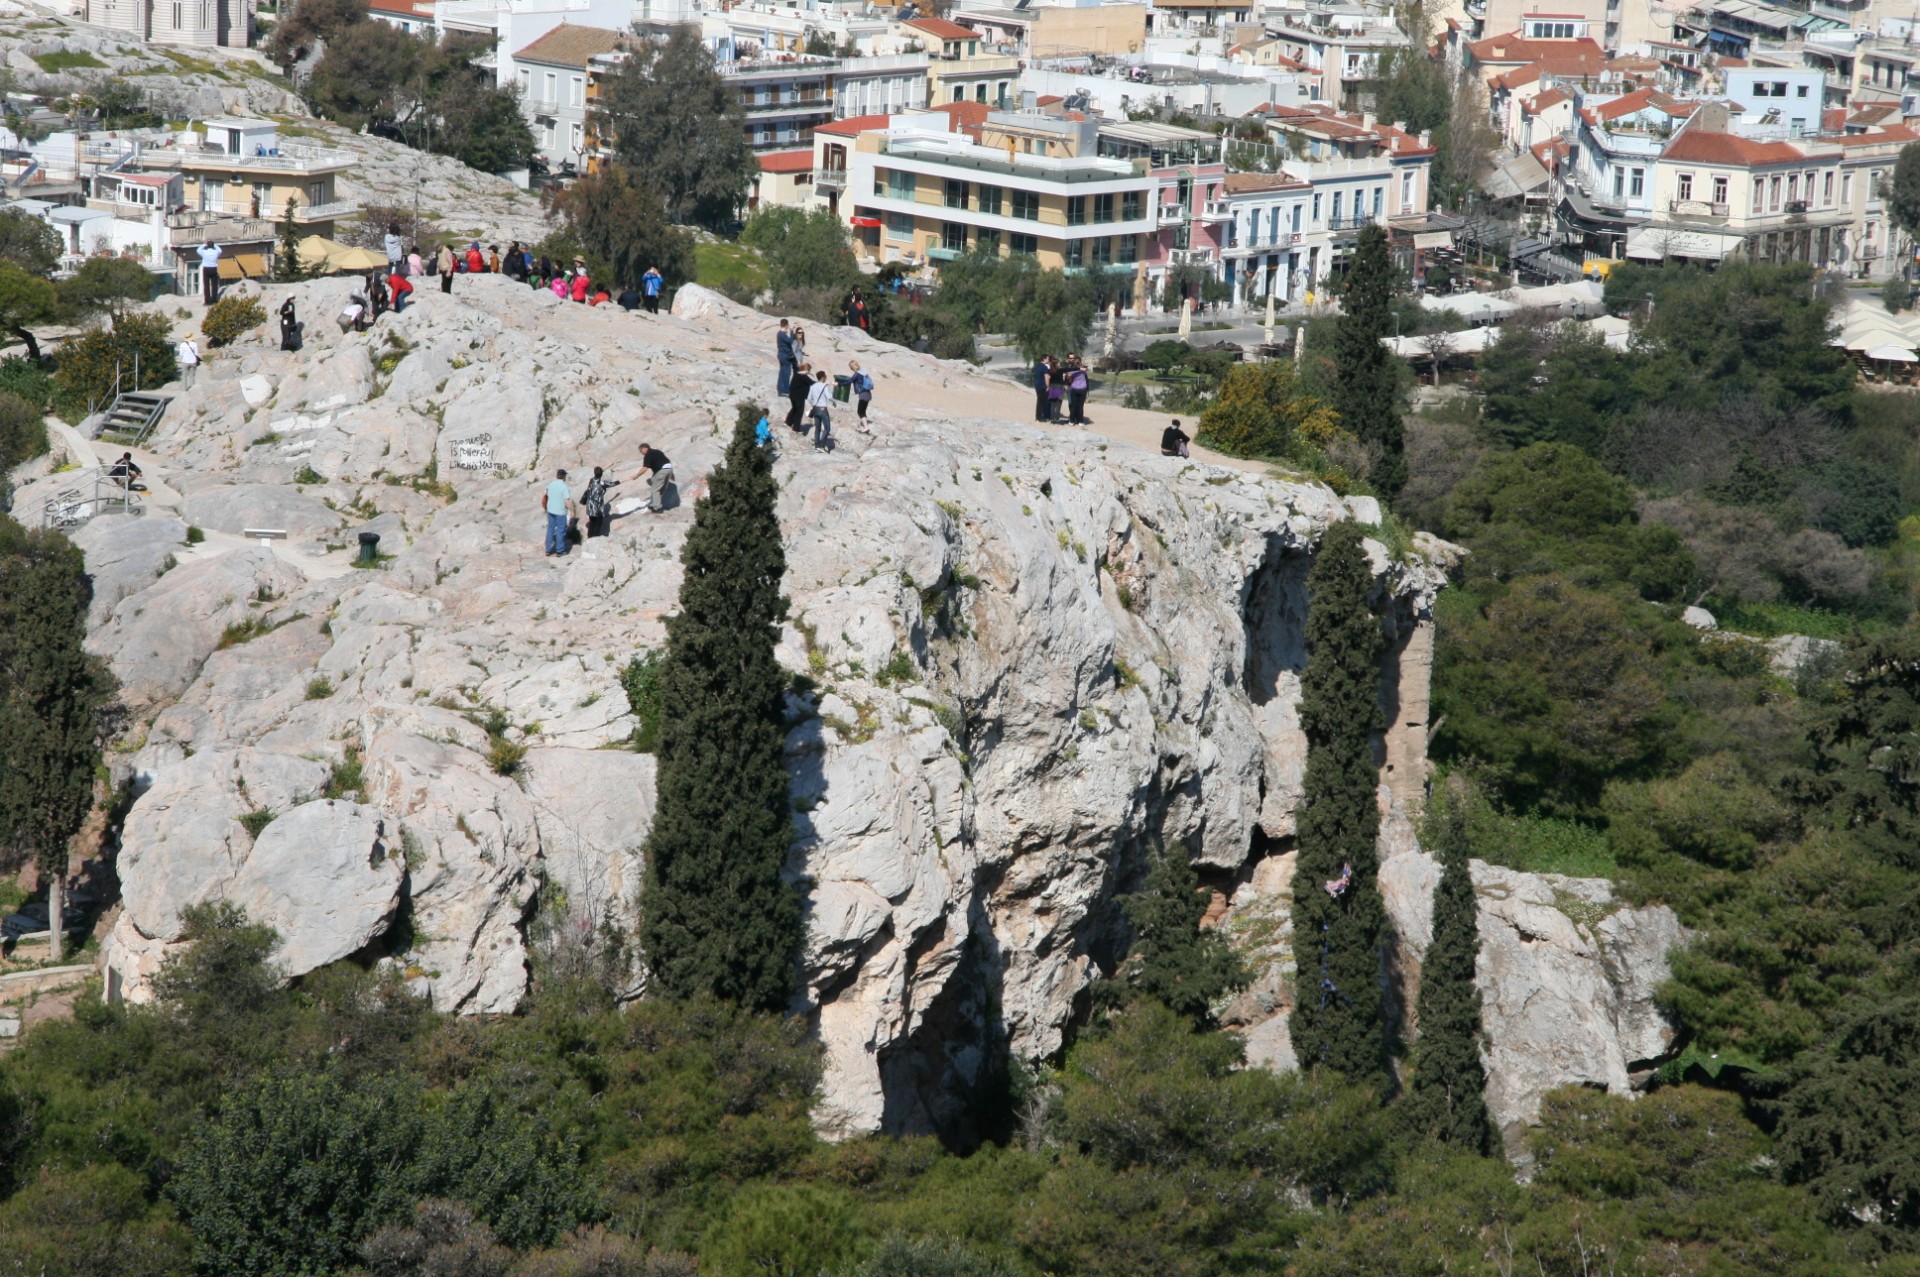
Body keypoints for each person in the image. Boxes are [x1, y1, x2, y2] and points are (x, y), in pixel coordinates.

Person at [629, 444, 674, 512]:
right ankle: (656, 503)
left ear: (644, 448)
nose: (641, 453)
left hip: (661, 471)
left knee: (655, 490)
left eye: (641, 451)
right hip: (669, 470)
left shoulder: (648, 454)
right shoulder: (658, 451)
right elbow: (666, 461)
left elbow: (645, 468)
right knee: (660, 488)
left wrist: (636, 475)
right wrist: (672, 474)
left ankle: (657, 508)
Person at [542, 468, 576, 557]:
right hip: (560, 511)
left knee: (550, 529)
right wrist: (572, 510)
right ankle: (560, 550)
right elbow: (566, 501)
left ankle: (548, 549)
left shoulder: (551, 484)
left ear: (557, 476)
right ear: (564, 476)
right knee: (561, 531)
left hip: (550, 510)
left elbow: (546, 494)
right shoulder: (564, 487)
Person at [581, 465, 619, 538]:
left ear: (594, 473)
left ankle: (589, 538)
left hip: (590, 507)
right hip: (598, 509)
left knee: (592, 523)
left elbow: (599, 472)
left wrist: (610, 464)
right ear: (602, 474)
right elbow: (614, 483)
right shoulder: (603, 483)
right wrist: (629, 478)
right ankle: (595, 539)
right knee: (598, 524)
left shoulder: (592, 480)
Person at [805, 368, 835, 450]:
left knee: (817, 428)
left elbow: (808, 398)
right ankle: (822, 446)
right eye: (825, 376)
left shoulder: (813, 386)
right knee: (827, 428)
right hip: (823, 409)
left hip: (815, 409)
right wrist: (834, 402)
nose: (825, 377)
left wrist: (814, 404)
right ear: (822, 377)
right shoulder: (824, 386)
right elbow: (829, 397)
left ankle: (816, 445)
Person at [786, 360, 811, 430]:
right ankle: (796, 428)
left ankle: (788, 422)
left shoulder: (797, 374)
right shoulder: (803, 376)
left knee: (794, 409)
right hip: (799, 396)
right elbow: (811, 382)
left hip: (792, 395)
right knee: (799, 412)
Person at [848, 359, 873, 430]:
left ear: (853, 367)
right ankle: (865, 425)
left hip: (863, 395)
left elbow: (849, 381)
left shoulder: (857, 374)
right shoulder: (864, 372)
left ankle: (866, 427)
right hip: (868, 394)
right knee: (863, 411)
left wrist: (838, 384)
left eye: (851, 367)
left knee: (860, 411)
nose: (851, 369)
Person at [1066, 356, 1089, 425]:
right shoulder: (1083, 369)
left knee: (1073, 405)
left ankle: (1072, 421)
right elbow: (1085, 370)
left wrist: (1068, 376)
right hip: (1082, 388)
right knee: (1080, 406)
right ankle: (1080, 421)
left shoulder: (1072, 370)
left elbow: (1069, 379)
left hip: (1075, 388)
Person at [197, 239, 221, 304]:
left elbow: (198, 250)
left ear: (207, 246)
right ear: (213, 246)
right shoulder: (216, 252)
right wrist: (214, 245)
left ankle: (207, 301)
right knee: (214, 285)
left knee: (206, 285)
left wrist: (204, 244)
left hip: (206, 269)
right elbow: (220, 250)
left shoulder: (204, 252)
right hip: (213, 269)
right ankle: (214, 300)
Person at [777, 318, 795, 395]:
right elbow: (791, 341)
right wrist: (791, 331)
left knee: (782, 372)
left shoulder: (779, 333)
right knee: (786, 373)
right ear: (787, 325)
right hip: (785, 355)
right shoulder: (783, 334)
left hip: (781, 354)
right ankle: (785, 390)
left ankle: (780, 389)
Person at [1032, 355, 1051, 422]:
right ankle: (1040, 417)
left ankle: (1038, 416)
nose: (1048, 360)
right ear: (1044, 359)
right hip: (1042, 386)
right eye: (1048, 359)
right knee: (1043, 402)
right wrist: (1048, 386)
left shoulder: (1037, 366)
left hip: (1037, 385)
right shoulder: (1044, 367)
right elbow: (1046, 377)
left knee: (1039, 401)